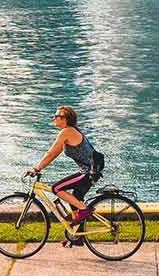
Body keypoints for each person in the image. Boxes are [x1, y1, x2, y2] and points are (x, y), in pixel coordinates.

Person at [24, 105, 103, 245]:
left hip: (88, 172)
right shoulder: (70, 131)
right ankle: (76, 236)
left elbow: (51, 153)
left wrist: (36, 168)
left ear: (66, 119)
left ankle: (85, 210)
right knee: (74, 200)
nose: (54, 118)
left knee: (56, 188)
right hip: (90, 171)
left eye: (57, 116)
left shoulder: (67, 132)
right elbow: (54, 154)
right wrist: (40, 167)